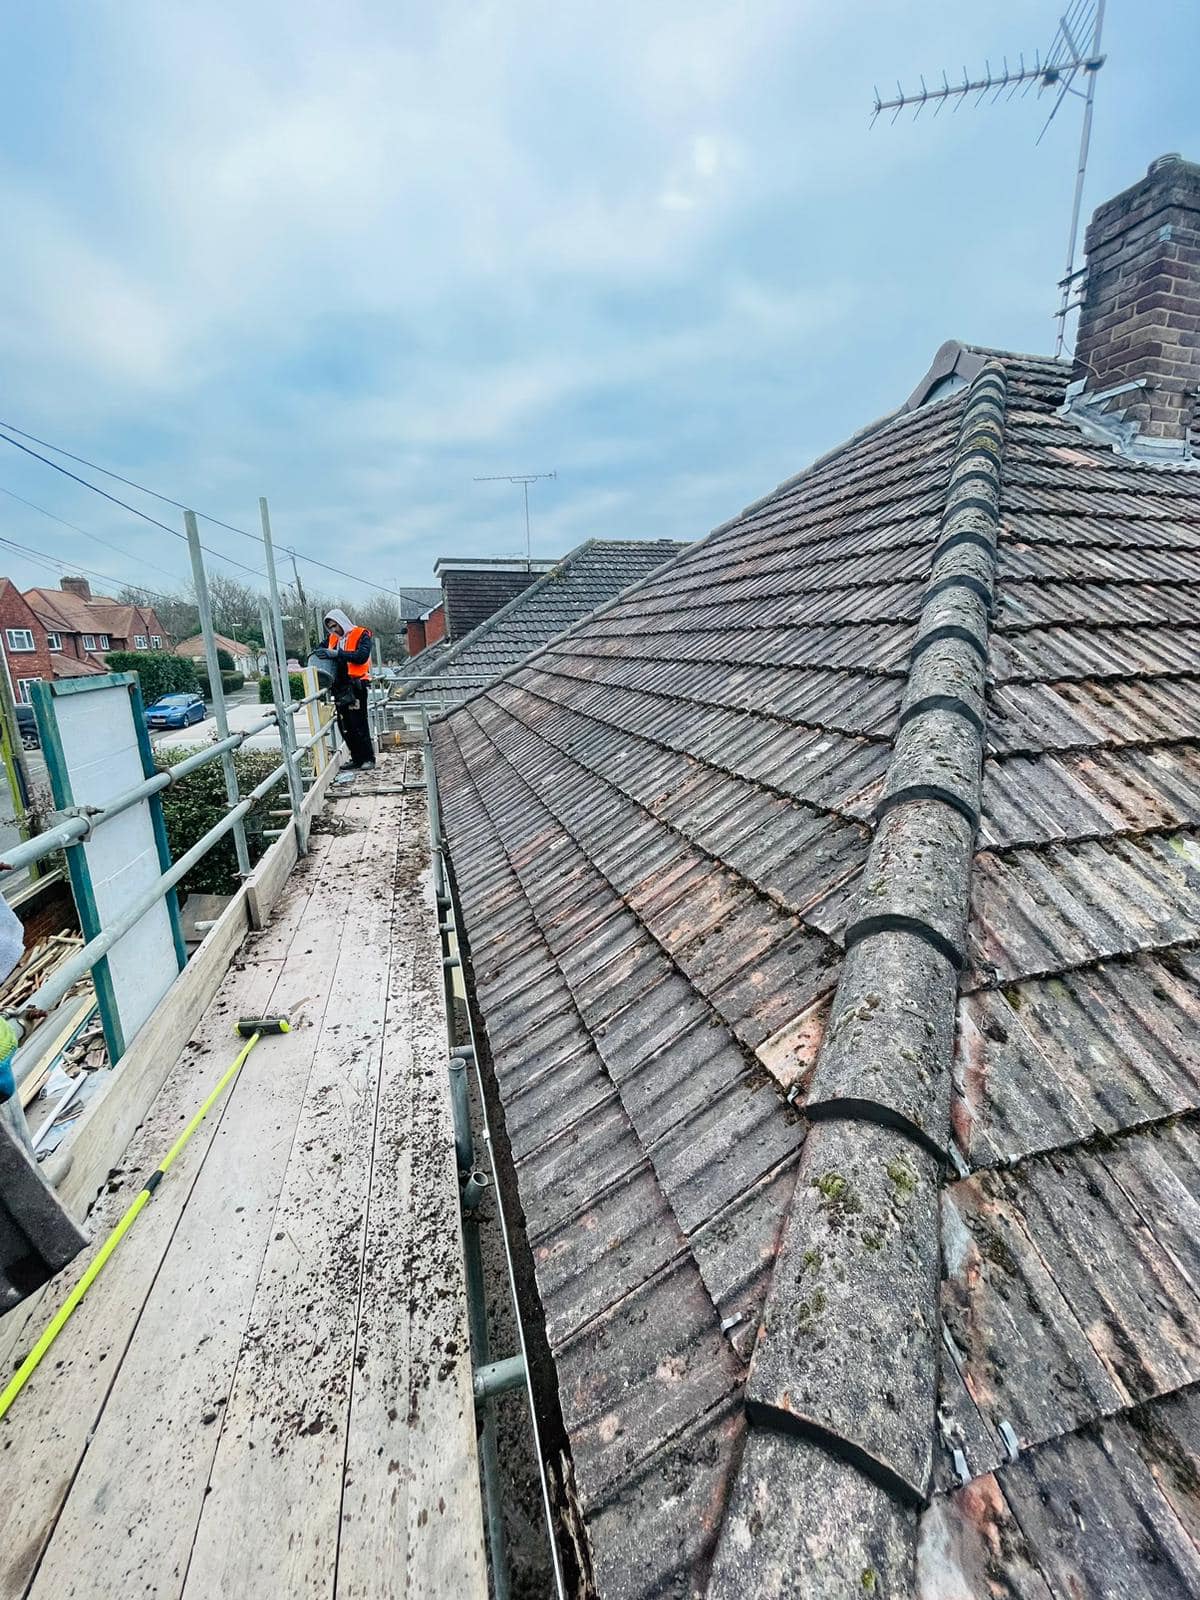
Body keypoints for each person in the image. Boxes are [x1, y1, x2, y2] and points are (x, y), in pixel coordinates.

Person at [320, 608, 376, 770]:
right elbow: (322, 651)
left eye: (335, 626)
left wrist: (337, 654)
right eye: (330, 627)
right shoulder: (332, 639)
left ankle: (368, 758)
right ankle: (357, 758)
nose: (333, 630)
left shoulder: (361, 634)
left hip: (356, 685)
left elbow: (361, 656)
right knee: (345, 725)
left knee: (359, 723)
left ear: (341, 622)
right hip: (340, 687)